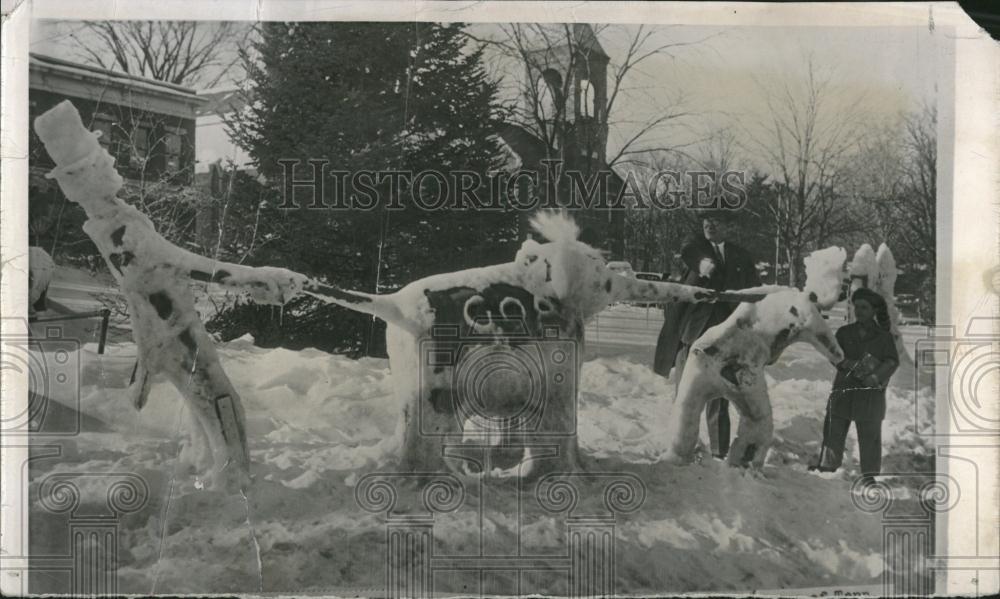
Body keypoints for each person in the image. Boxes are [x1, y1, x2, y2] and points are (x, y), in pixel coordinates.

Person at [653, 211, 761, 459]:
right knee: (685, 394)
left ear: (729, 225)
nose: (710, 225)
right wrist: (705, 266)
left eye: (716, 220)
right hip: (692, 334)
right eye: (706, 222)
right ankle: (679, 446)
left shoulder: (740, 256)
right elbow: (691, 250)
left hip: (725, 335)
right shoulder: (696, 248)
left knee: (719, 396)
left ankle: (719, 451)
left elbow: (754, 289)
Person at [811, 287, 899, 480]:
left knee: (869, 436)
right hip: (844, 390)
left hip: (870, 394)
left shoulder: (884, 337)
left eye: (864, 307)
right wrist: (851, 365)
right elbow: (834, 355)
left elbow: (892, 361)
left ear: (874, 311)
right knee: (833, 431)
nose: (858, 311)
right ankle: (827, 469)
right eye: (856, 307)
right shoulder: (844, 332)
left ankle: (870, 474)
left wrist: (875, 377)